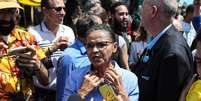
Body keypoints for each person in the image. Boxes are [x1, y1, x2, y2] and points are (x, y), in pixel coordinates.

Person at [133, 0, 194, 101]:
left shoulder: (173, 54)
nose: (140, 13)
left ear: (153, 11)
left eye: (142, 8)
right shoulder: (160, 42)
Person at [63, 24, 139, 101]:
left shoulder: (129, 79)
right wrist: (82, 92)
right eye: (90, 46)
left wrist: (121, 92)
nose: (95, 50)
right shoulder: (75, 77)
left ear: (114, 47)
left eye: (101, 45)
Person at [0, 0, 49, 100]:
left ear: (17, 14)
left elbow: (45, 80)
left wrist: (37, 65)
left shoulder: (27, 38)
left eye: (11, 11)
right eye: (1, 12)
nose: (6, 18)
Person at [28, 0, 75, 100]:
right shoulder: (32, 33)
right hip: (43, 93)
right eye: (58, 9)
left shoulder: (68, 31)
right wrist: (53, 48)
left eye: (64, 8)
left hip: (67, 91)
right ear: (45, 11)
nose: (63, 13)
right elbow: (30, 63)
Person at [56, 14, 102, 101]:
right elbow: (63, 96)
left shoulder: (101, 53)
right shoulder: (68, 58)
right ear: (90, 34)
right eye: (100, 29)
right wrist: (83, 91)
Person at [110, 1, 130, 69]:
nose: (125, 17)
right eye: (121, 14)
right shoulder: (108, 35)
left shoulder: (124, 34)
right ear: (112, 16)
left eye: (126, 14)